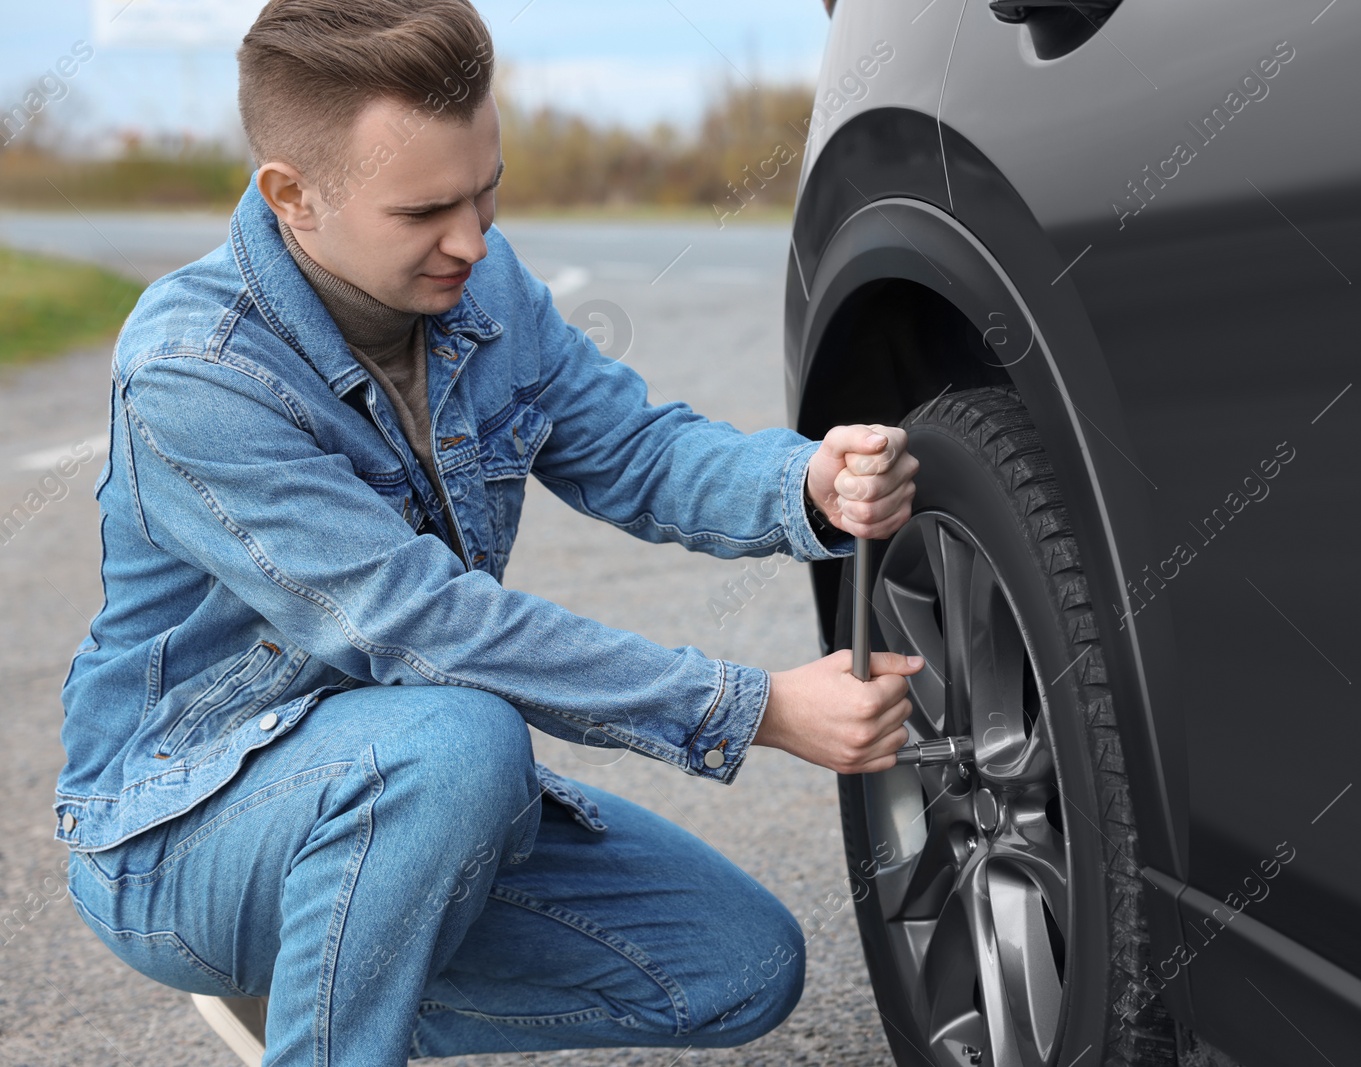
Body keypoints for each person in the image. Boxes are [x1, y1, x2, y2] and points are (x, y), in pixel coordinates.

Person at [54, 1, 923, 1063]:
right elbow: (429, 627)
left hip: (404, 787)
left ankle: (318, 983)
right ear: (293, 196)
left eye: (487, 191)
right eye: (423, 211)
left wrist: (806, 480)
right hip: (178, 828)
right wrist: (757, 706)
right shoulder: (196, 375)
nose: (470, 240)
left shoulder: (483, 285)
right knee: (460, 736)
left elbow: (635, 449)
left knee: (738, 965)